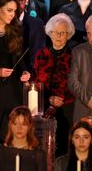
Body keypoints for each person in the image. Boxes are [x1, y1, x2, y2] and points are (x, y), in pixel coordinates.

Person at [0, 0, 30, 143]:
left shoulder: (15, 31)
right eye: (9, 10)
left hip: (13, 92)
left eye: (15, 11)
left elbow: (20, 60)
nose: (12, 14)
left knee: (11, 137)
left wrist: (25, 73)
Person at [33, 13, 75, 157]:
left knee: (63, 149)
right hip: (43, 108)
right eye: (55, 32)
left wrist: (63, 99)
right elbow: (36, 81)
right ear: (50, 33)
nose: (58, 36)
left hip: (66, 109)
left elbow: (76, 83)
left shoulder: (74, 56)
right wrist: (49, 99)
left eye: (62, 33)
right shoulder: (41, 54)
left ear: (68, 35)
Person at [0, 106, 46, 171]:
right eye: (15, 124)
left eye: (24, 124)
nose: (19, 128)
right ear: (10, 125)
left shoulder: (38, 155)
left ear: (30, 126)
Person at [6, 0, 46, 73]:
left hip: (28, 78)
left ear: (26, 0)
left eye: (22, 0)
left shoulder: (36, 24)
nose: (18, 4)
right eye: (14, 0)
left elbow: (39, 55)